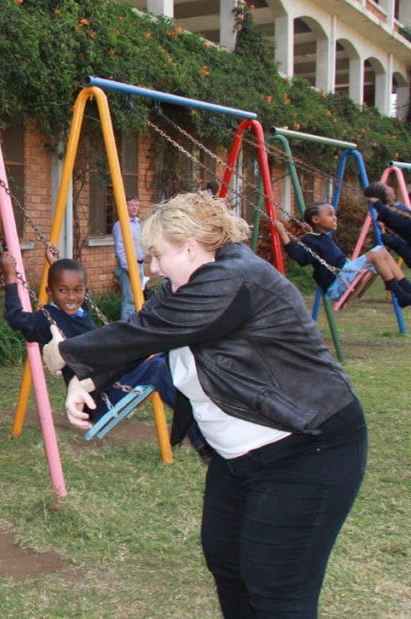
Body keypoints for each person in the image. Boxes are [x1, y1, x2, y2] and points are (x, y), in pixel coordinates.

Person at [60, 191, 367, 617]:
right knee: (228, 563)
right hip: (239, 458)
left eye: (158, 254)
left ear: (188, 247)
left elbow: (150, 330)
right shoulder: (185, 286)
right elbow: (144, 331)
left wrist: (68, 353)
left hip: (306, 448)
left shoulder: (233, 279)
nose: (154, 267)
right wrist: (87, 378)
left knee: (276, 585)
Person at [0, 244, 208, 455]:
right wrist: (10, 277)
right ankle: (199, 435)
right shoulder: (46, 320)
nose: (71, 297)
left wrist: (54, 264)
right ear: (50, 291)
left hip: (113, 379)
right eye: (62, 290)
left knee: (167, 353)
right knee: (157, 366)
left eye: (78, 290)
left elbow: (68, 289)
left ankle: (201, 413)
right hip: (97, 400)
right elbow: (15, 317)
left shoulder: (81, 311)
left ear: (85, 291)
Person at [270, 202, 411, 308]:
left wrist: (309, 232)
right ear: (316, 219)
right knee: (375, 254)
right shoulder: (311, 240)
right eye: (330, 215)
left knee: (381, 250)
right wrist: (283, 233)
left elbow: (317, 245)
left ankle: (406, 288)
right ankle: (400, 295)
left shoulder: (317, 237)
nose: (335, 218)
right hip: (337, 283)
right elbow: (300, 257)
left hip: (344, 274)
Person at [113, 196, 146, 320]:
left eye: (136, 205)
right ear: (125, 207)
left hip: (140, 265)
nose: (134, 208)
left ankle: (135, 325)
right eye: (131, 205)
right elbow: (120, 248)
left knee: (138, 297)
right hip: (129, 267)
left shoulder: (137, 224)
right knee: (129, 300)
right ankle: (125, 328)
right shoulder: (121, 224)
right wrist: (129, 268)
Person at [365, 181, 411, 265]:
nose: (392, 188)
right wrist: (378, 204)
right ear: (385, 194)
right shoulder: (387, 216)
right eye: (387, 187)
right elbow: (398, 219)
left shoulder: (395, 208)